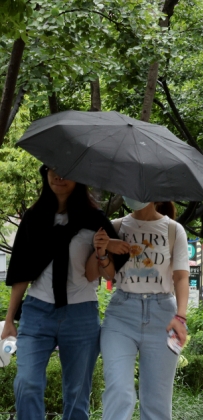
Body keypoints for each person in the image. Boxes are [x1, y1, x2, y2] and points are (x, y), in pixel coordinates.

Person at [2, 166, 128, 420]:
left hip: (80, 315)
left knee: (77, 395)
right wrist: (9, 320)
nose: (58, 177)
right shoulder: (34, 217)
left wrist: (101, 250)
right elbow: (21, 274)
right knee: (26, 385)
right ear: (44, 172)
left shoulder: (95, 220)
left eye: (66, 171)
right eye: (52, 170)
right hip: (37, 312)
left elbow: (101, 274)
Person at [99, 198, 190, 420]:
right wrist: (103, 249)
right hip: (121, 313)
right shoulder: (115, 227)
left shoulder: (173, 229)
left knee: (157, 402)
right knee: (119, 393)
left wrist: (181, 316)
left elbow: (180, 276)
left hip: (163, 314)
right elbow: (107, 275)